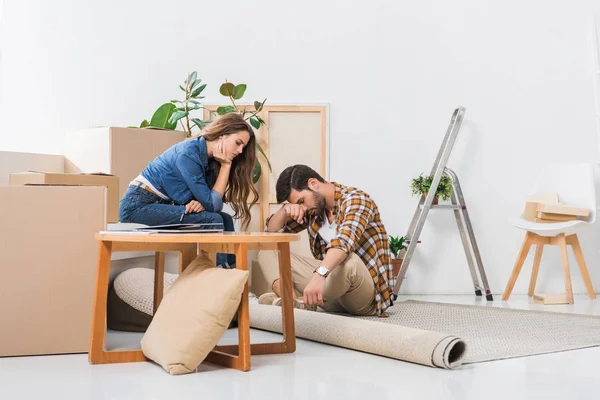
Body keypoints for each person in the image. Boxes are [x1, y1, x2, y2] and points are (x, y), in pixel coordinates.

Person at [119, 113, 258, 268]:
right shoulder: (188, 154)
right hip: (137, 206)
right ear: (222, 135)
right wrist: (226, 166)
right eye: (238, 143)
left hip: (162, 204)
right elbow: (212, 204)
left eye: (243, 147)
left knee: (225, 218)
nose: (240, 151)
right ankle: (218, 279)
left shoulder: (209, 159)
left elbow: (209, 202)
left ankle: (233, 276)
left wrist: (203, 202)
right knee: (213, 219)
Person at [259, 164, 395, 316]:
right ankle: (292, 302)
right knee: (267, 252)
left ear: (314, 184)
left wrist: (320, 274)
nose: (301, 208)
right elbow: (270, 233)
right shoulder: (313, 210)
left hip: (363, 295)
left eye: (301, 201)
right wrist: (284, 211)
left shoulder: (357, 200)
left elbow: (344, 241)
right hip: (332, 291)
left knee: (350, 263)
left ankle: (300, 300)